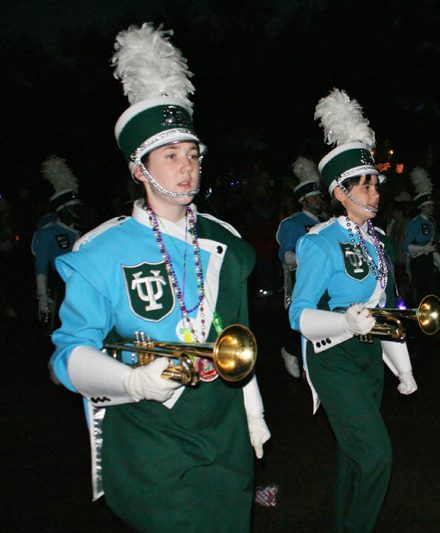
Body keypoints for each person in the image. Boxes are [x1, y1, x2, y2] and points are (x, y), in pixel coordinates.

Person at [48, 24, 268, 532]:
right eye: (170, 157)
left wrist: (253, 413)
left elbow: (240, 339)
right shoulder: (99, 251)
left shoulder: (226, 241)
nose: (186, 169)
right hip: (153, 438)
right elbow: (67, 356)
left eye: (192, 155)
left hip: (225, 428)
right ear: (138, 168)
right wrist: (131, 380)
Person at [289, 88, 418, 533]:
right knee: (377, 453)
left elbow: (383, 311)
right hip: (332, 356)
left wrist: (403, 367)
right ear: (340, 193)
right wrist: (343, 320)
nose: (375, 191)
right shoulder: (318, 241)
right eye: (364, 184)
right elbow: (299, 316)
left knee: (352, 452)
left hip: (369, 358)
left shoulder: (378, 242)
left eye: (375, 183)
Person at [276, 157, 327, 378]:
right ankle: (291, 350)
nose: (319, 201)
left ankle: (312, 361)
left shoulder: (326, 221)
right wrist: (309, 260)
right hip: (302, 277)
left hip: (324, 278)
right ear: (304, 201)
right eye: (314, 198)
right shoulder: (292, 223)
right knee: (303, 317)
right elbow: (285, 256)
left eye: (319, 197)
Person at [32, 156, 83, 330]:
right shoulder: (48, 233)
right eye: (74, 207)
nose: (78, 211)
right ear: (63, 209)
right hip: (59, 285)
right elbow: (41, 266)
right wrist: (43, 296)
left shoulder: (82, 230)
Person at [402, 167, 440, 306]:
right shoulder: (415, 223)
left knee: (431, 290)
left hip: (428, 260)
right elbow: (406, 245)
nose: (431, 208)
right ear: (422, 207)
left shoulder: (431, 222)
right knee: (421, 291)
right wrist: (423, 249)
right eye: (428, 205)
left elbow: (431, 245)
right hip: (418, 261)